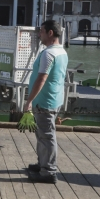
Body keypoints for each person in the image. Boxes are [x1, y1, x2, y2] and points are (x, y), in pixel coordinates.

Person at [24, 20, 68, 184]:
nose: (39, 34)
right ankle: (43, 163)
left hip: (45, 101)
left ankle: (49, 171)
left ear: (50, 33)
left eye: (41, 31)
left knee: (47, 136)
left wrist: (29, 100)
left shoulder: (48, 54)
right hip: (54, 99)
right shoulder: (61, 52)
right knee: (43, 134)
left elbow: (41, 78)